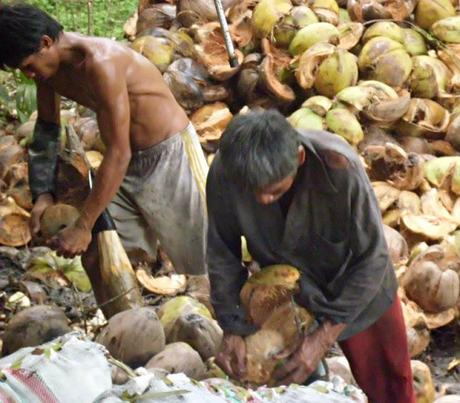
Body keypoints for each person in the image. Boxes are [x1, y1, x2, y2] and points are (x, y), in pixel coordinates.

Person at [0, 4, 209, 301]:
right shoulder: (49, 72)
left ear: (45, 43)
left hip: (169, 155)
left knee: (203, 263)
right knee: (110, 258)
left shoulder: (101, 63)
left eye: (28, 66)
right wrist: (43, 194)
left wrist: (83, 225)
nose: (30, 75)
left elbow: (118, 151)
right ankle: (133, 333)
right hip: (124, 163)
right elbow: (47, 128)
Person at [206, 109, 415, 402]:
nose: (263, 200)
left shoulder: (340, 168)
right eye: (253, 192)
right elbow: (222, 253)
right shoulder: (225, 173)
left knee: (391, 386)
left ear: (300, 159)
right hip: (285, 291)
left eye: (274, 191)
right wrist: (231, 326)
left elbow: (373, 259)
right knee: (283, 385)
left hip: (356, 283)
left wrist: (323, 337)